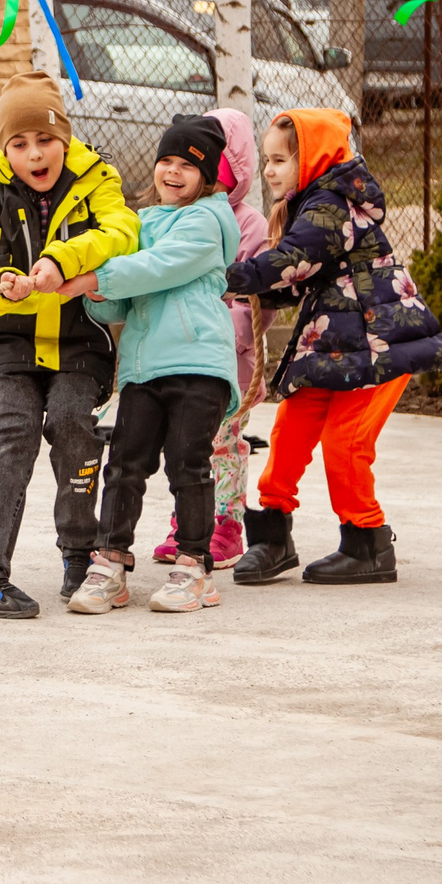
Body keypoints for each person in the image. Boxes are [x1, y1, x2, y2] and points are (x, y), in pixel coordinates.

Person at [225, 108, 442, 586]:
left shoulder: (330, 204)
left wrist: (237, 275)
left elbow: (295, 258)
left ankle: (367, 542)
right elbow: (298, 277)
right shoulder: (311, 204)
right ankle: (272, 535)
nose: (269, 171)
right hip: (336, 345)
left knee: (345, 442)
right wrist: (255, 290)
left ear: (311, 159)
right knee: (290, 431)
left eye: (280, 160)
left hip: (378, 345)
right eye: (266, 160)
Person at [0, 71, 140, 619]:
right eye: (19, 143)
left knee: (73, 423)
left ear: (64, 137)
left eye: (45, 139)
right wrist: (4, 283)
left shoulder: (98, 178)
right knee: (15, 430)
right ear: (4, 148)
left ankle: (81, 556)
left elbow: (122, 233)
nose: (34, 154)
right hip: (10, 341)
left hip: (81, 341)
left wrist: (61, 260)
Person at [72, 115, 243, 615]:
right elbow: (120, 301)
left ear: (207, 176)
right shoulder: (140, 223)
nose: (172, 171)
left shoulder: (206, 221)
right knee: (125, 464)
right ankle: (110, 564)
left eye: (186, 165)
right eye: (165, 160)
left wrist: (96, 277)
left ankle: (194, 567)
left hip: (197, 362)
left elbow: (158, 267)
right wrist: (96, 289)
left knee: (188, 464)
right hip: (144, 367)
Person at [151, 106, 270, 574]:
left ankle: (225, 525)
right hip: (176, 355)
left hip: (224, 361)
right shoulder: (167, 219)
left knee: (224, 443)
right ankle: (186, 521)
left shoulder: (249, 225)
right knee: (183, 445)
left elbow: (257, 300)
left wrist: (220, 330)